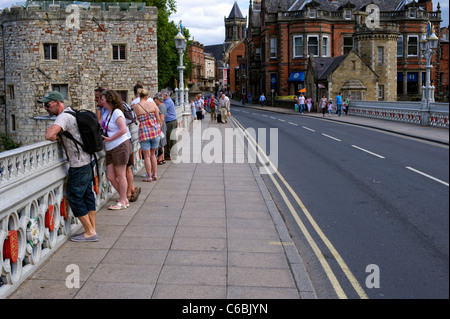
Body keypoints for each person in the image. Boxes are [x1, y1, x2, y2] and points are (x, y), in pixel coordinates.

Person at [42, 91, 98, 242]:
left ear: (57, 102)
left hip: (78, 164)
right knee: (87, 195)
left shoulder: (63, 117)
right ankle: (91, 228)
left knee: (74, 197)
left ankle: (89, 232)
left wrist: (56, 135)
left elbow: (49, 135)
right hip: (89, 159)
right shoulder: (71, 112)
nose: (45, 108)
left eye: (47, 104)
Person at [100, 90, 132, 210]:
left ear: (109, 100)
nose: (101, 102)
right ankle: (124, 197)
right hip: (110, 148)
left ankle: (123, 201)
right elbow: (98, 124)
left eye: (102, 99)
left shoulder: (117, 112)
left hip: (119, 146)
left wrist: (109, 139)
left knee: (121, 175)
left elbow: (123, 129)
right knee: (110, 176)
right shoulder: (107, 113)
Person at [133, 88, 161, 182]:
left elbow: (135, 118)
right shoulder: (153, 104)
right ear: (146, 96)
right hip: (154, 132)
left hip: (144, 133)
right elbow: (158, 119)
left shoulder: (136, 107)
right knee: (153, 155)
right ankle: (155, 175)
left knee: (147, 156)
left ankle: (149, 177)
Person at [161, 89, 177, 161]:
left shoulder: (167, 102)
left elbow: (160, 109)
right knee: (168, 138)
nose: (161, 97)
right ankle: (168, 154)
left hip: (171, 122)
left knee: (171, 139)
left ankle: (172, 154)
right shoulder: (166, 101)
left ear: (166, 95)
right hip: (169, 122)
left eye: (162, 95)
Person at [153, 92, 167, 165]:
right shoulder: (163, 105)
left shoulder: (160, 107)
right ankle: (162, 158)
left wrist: (159, 128)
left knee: (161, 143)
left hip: (161, 126)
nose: (154, 100)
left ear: (158, 99)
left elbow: (161, 119)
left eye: (154, 98)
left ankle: (160, 158)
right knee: (162, 142)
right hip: (163, 125)